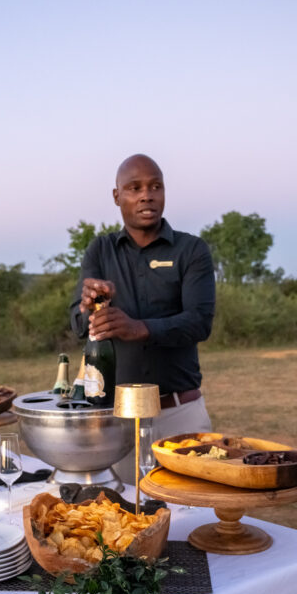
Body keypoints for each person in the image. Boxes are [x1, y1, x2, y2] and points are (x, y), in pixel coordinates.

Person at [70, 153, 215, 482]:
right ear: (117, 196)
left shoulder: (191, 250)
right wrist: (89, 307)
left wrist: (140, 328)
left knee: (189, 517)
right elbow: (77, 322)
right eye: (134, 188)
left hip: (179, 414)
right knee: (123, 518)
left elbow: (200, 321)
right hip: (117, 417)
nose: (146, 195)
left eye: (155, 186)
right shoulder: (100, 250)